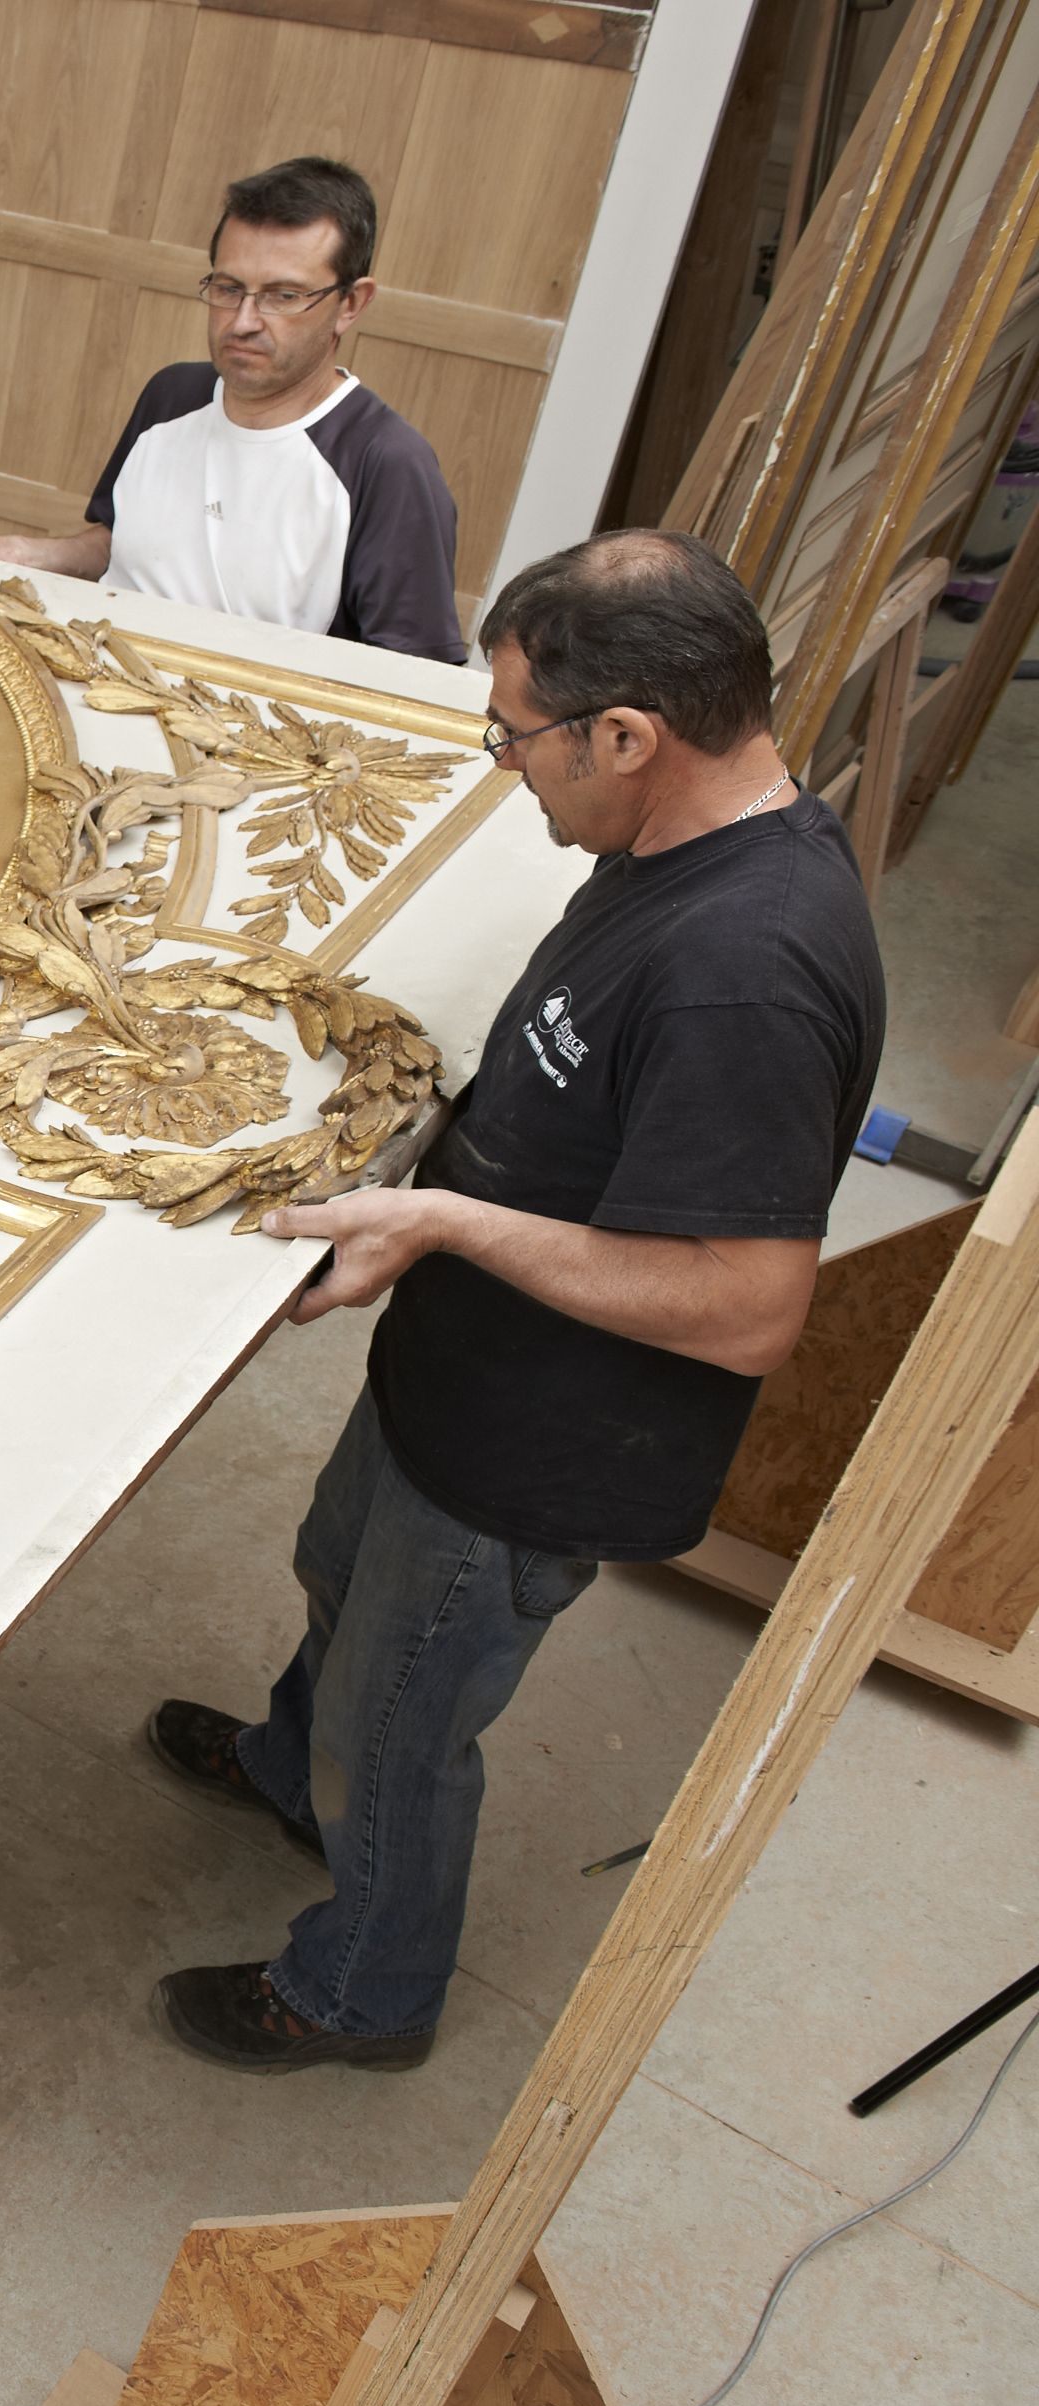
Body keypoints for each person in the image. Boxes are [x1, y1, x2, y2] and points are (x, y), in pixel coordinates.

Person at [146, 529, 885, 2073]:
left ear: (631, 734)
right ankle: (290, 1771)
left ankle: (362, 1990)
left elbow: (750, 1309)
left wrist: (444, 1220)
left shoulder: (746, 971)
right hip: (460, 1380)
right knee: (334, 1578)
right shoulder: (666, 846)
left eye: (519, 739)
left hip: (535, 1454)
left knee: (398, 1736)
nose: (508, 770)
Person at [0, 156, 467, 663]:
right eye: (230, 288)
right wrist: (30, 554)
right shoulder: (172, 396)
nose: (243, 321)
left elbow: (414, 680)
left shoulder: (385, 463)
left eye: (284, 296)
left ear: (350, 303)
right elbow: (123, 543)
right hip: (100, 681)